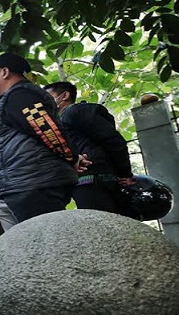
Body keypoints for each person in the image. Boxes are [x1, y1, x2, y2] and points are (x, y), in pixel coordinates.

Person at [0, 52, 85, 231]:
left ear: (4, 72)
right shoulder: (14, 98)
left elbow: (47, 129)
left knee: (44, 247)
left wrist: (71, 157)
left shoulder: (21, 95)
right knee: (27, 251)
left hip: (33, 187)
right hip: (21, 187)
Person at [43, 81, 137, 216]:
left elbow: (113, 141)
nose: (44, 103)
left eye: (48, 97)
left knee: (103, 227)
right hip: (85, 182)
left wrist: (125, 173)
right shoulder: (60, 121)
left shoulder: (75, 112)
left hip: (94, 180)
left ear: (64, 95)